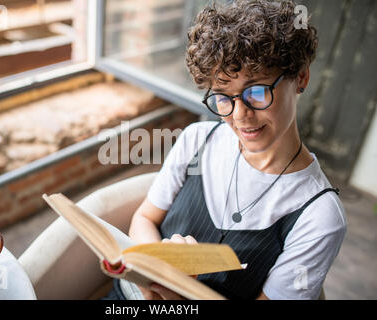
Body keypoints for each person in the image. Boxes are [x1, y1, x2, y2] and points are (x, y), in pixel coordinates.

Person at [104, 0, 347, 300]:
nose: (240, 114)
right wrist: (155, 271)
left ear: (301, 77)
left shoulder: (319, 216)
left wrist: (175, 297)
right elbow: (144, 219)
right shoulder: (197, 140)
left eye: (256, 91)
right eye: (222, 96)